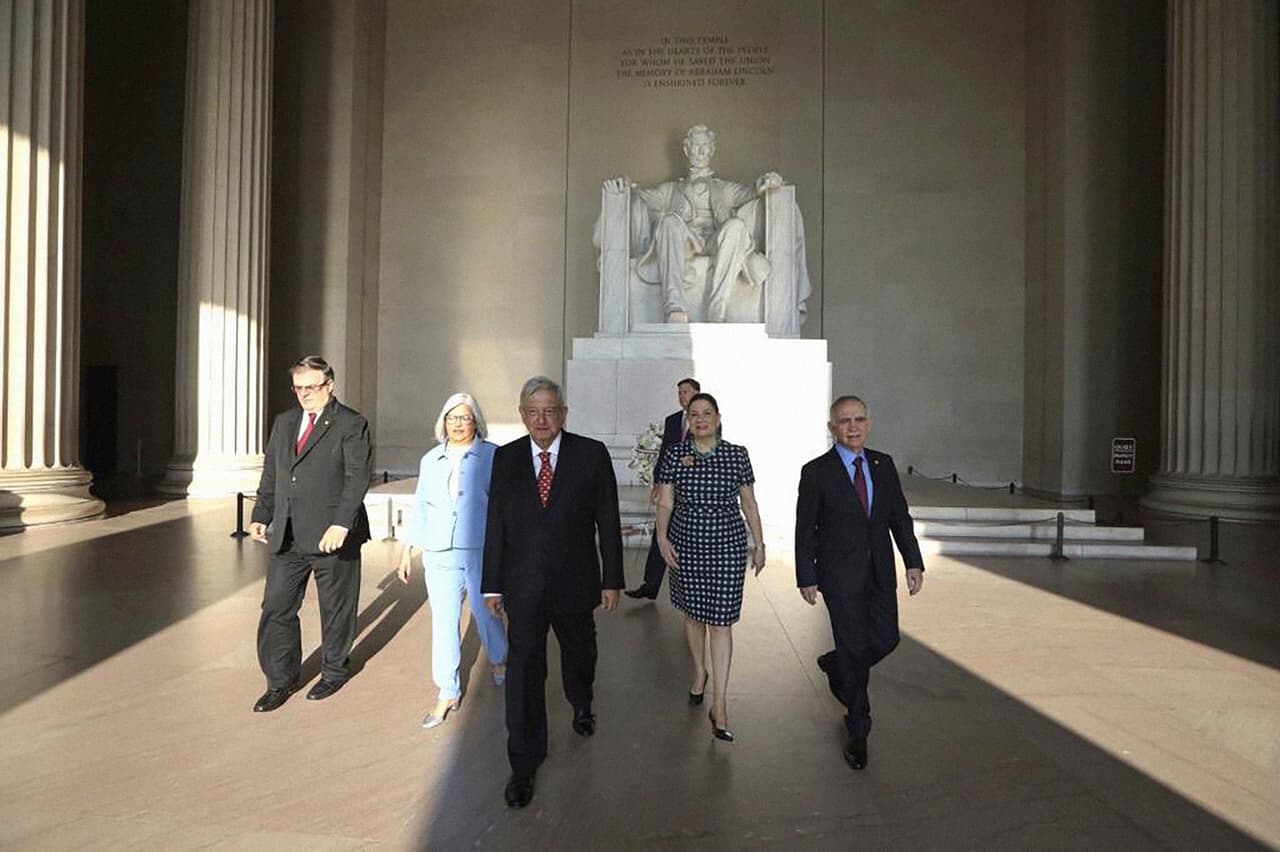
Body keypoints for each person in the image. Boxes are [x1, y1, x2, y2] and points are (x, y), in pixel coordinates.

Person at [482, 376, 624, 809]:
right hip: (523, 586)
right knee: (524, 671)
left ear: (563, 413)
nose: (542, 419)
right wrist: (492, 585)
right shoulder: (506, 459)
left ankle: (582, 701)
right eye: (533, 411)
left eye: (550, 410)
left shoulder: (591, 454)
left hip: (576, 583)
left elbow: (607, 519)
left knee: (579, 654)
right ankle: (523, 762)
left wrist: (611, 579)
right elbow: (497, 524)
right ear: (522, 414)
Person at [794, 395, 925, 771]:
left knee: (886, 639)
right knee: (853, 646)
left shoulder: (883, 465)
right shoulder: (816, 471)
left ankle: (837, 665)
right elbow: (806, 528)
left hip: (881, 572)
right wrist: (807, 575)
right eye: (845, 420)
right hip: (839, 576)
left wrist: (912, 561)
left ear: (869, 424)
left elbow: (900, 517)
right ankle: (858, 728)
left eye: (859, 419)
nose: (853, 426)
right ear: (832, 427)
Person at [249, 355, 373, 712]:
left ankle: (333, 671)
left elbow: (356, 478)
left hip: (332, 535)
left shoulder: (351, 423)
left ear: (329, 385)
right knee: (276, 606)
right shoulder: (285, 422)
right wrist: (262, 512)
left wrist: (341, 523)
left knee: (336, 609)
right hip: (287, 534)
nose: (305, 394)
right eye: (298, 388)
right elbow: (273, 473)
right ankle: (280, 680)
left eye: (312, 387)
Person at [602, 124, 810, 323]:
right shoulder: (670, 190)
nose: (700, 151)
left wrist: (766, 183)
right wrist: (625, 185)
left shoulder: (726, 188)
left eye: (705, 146)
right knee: (669, 222)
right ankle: (674, 306)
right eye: (695, 145)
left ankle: (717, 309)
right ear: (686, 149)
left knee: (736, 226)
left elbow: (753, 194)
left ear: (712, 149)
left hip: (715, 241)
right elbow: (642, 197)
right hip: (686, 243)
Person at [654, 393, 765, 742]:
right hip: (686, 545)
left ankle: (719, 703)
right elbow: (666, 501)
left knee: (721, 622)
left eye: (707, 413)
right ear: (687, 420)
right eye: (694, 414)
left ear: (718, 418)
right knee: (693, 616)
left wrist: (759, 543)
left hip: (727, 546)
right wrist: (662, 538)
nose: (700, 419)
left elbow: (748, 501)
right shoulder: (675, 454)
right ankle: (699, 672)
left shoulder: (736, 455)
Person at [396, 393, 508, 729]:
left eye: (464, 417)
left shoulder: (493, 456)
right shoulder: (431, 459)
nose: (458, 424)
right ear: (443, 422)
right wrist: (407, 549)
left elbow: (504, 508)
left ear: (476, 421)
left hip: (479, 550)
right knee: (443, 624)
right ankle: (447, 690)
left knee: (486, 613)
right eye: (451, 417)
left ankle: (500, 660)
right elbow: (421, 505)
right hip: (439, 552)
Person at [626, 376, 700, 600]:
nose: (682, 396)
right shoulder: (671, 420)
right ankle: (650, 585)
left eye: (686, 392)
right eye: (679, 393)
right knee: (661, 534)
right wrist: (657, 483)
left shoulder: (707, 419)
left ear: (696, 393)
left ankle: (691, 589)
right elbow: (664, 455)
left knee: (690, 539)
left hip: (692, 490)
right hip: (668, 488)